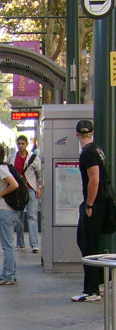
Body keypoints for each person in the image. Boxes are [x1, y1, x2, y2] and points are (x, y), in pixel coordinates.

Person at [72, 119, 106, 302]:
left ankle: (92, 290)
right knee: (87, 243)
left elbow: (94, 180)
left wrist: (90, 205)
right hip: (99, 203)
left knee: (87, 245)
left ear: (77, 134)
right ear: (91, 133)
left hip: (94, 204)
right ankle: (98, 281)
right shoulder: (97, 150)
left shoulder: (88, 153)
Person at [0, 143, 22, 285]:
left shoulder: (2, 169)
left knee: (7, 245)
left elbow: (14, 184)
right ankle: (9, 273)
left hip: (6, 210)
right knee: (8, 244)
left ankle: (8, 275)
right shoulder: (6, 167)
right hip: (10, 211)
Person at [11, 135, 42, 252]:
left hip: (30, 189)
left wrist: (39, 188)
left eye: (23, 144)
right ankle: (20, 243)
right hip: (17, 190)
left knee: (32, 216)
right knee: (18, 217)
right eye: (19, 144)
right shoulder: (12, 157)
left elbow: (39, 173)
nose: (20, 146)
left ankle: (34, 244)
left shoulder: (33, 158)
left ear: (26, 145)